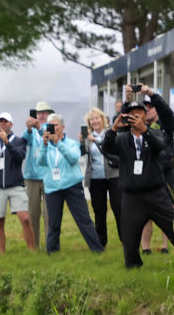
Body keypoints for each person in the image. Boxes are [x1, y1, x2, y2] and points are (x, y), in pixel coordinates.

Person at [101, 101, 174, 268]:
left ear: (144, 115)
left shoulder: (154, 133)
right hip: (131, 196)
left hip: (155, 193)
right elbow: (107, 147)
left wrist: (145, 131)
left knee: (171, 225)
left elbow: (160, 146)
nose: (136, 115)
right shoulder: (122, 139)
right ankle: (133, 266)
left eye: (139, 112)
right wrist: (113, 128)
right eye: (131, 113)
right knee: (129, 235)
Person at [36, 113, 105, 254]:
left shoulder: (71, 143)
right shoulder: (45, 144)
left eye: (55, 125)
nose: (53, 128)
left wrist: (58, 143)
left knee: (84, 220)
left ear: (62, 127)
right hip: (52, 188)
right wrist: (44, 145)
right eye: (50, 125)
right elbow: (40, 162)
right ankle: (53, 253)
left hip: (72, 186)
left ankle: (97, 250)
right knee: (53, 224)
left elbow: (73, 158)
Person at [0, 112, 35, 253]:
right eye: (0, 122)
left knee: (25, 218)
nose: (3, 124)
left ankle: (32, 250)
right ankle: (2, 253)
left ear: (11, 124)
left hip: (15, 184)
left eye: (5, 122)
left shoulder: (18, 140)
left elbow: (19, 157)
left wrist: (7, 142)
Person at [136, 86, 174, 255]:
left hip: (168, 171)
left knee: (168, 209)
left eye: (151, 107)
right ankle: (145, 248)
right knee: (146, 212)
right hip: (148, 174)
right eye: (145, 108)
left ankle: (165, 246)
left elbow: (167, 112)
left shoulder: (166, 124)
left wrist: (152, 94)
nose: (148, 110)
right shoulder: (139, 128)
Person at [81, 106, 122, 248]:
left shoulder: (111, 133)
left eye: (97, 118)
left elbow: (112, 147)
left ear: (102, 119)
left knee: (118, 208)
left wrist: (96, 140)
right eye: (91, 119)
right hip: (95, 178)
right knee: (99, 211)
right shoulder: (87, 137)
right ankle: (101, 242)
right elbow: (82, 154)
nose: (94, 121)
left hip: (114, 175)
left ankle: (126, 240)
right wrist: (83, 142)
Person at [22, 101, 54, 249]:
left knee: (49, 214)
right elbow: (24, 140)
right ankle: (34, 245)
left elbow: (51, 139)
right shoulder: (30, 129)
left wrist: (39, 128)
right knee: (32, 213)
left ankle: (50, 244)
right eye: (38, 113)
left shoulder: (51, 126)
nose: (41, 115)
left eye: (44, 112)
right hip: (31, 176)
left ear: (49, 114)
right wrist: (29, 129)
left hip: (48, 176)